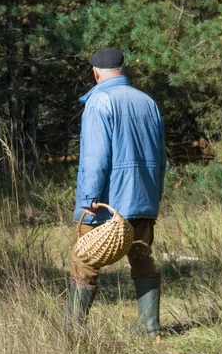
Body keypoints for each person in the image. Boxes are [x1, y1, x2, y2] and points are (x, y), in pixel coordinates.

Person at [66, 47, 167, 336]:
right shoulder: (148, 102)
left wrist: (88, 198)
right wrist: (154, 194)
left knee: (84, 261)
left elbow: (95, 157)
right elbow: (161, 158)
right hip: (143, 198)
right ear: (122, 69)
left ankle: (73, 332)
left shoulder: (99, 101)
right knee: (142, 259)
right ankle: (150, 328)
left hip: (106, 203)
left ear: (95, 73)